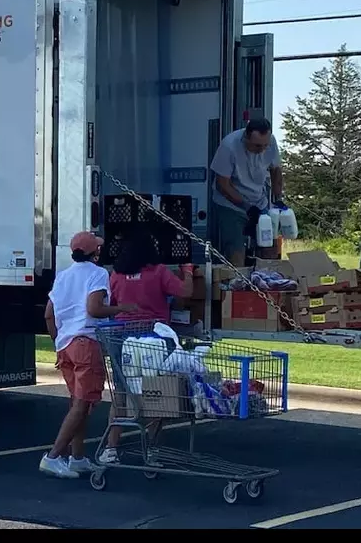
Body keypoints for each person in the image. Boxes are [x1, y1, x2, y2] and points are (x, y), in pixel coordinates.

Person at [40, 231, 136, 478]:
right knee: (83, 404)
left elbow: (49, 315)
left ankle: (77, 457)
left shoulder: (63, 276)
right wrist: (121, 308)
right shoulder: (98, 274)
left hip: (65, 343)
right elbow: (94, 308)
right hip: (86, 342)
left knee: (77, 403)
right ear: (94, 252)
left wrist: (57, 340)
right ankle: (53, 456)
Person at [97, 231, 195, 464]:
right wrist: (188, 272)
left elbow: (110, 304)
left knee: (120, 394)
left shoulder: (117, 275)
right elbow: (186, 292)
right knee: (157, 393)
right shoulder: (159, 272)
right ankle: (152, 449)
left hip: (122, 339)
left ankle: (111, 449)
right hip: (153, 340)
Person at [209, 118, 284, 267]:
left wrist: (278, 198)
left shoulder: (271, 142)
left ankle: (268, 283)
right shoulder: (229, 146)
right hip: (231, 204)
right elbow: (222, 184)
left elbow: (276, 170)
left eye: (265, 145)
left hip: (259, 201)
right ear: (246, 138)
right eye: (257, 146)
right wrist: (246, 207)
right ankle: (236, 283)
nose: (262, 150)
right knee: (236, 249)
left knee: (269, 246)